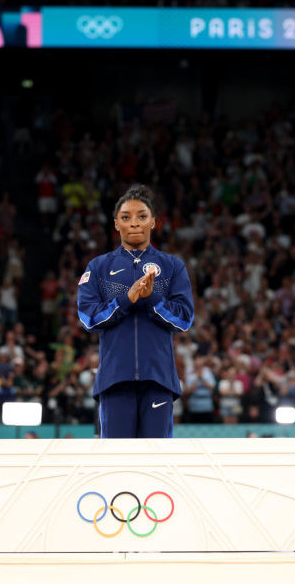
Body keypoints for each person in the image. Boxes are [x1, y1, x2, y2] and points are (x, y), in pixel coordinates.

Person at [77, 185, 194, 437]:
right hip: (115, 380)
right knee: (118, 462)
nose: (134, 223)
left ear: (153, 222)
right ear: (116, 223)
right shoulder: (98, 267)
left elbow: (184, 319)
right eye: (126, 217)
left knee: (156, 461)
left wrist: (151, 297)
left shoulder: (172, 266)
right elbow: (88, 318)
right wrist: (126, 300)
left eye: (142, 216)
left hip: (158, 379)